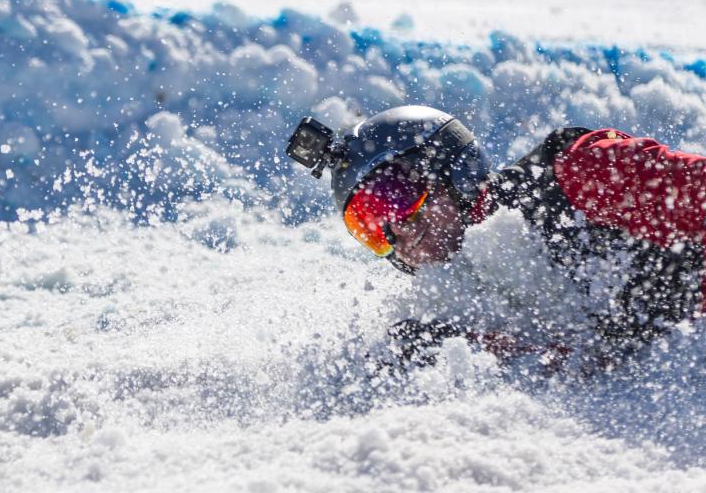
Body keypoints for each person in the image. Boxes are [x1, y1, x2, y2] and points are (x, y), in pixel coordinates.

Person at [286, 105, 706, 369]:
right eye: (370, 227)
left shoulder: (576, 173)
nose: (398, 231)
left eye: (395, 197)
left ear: (450, 167)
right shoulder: (462, 305)